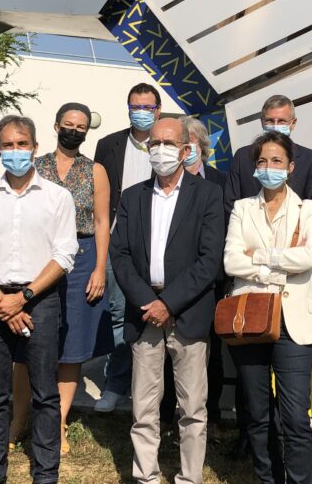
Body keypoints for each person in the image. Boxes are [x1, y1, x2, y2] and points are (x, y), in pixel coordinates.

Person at [0, 115, 79, 484]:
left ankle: (46, 473)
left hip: (40, 300)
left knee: (45, 393)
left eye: (22, 144)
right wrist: (2, 300)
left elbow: (64, 255)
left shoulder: (58, 197)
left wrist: (23, 297)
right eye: (8, 145)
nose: (15, 151)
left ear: (35, 147)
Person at [111, 117, 225, 484]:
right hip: (145, 312)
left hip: (187, 312)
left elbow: (210, 260)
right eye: (154, 143)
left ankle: (190, 478)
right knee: (144, 406)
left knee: (192, 407)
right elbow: (121, 255)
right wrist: (149, 301)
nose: (159, 149)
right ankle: (147, 476)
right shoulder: (132, 196)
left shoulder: (207, 195)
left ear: (186, 149)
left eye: (168, 142)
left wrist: (169, 303)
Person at [9, 103, 114, 454]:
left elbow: (101, 222)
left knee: (72, 347)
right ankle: (20, 417)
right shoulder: (34, 167)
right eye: (68, 124)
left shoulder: (95, 170)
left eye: (80, 126)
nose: (74, 130)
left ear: (87, 131)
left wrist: (100, 268)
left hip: (83, 260)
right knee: (28, 343)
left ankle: (58, 422)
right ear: (56, 127)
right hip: (39, 260)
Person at [223, 132, 312, 484]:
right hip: (249, 317)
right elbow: (232, 261)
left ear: (291, 167)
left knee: (295, 417)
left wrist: (261, 257)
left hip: (294, 322)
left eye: (277, 161)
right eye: (263, 161)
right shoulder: (241, 208)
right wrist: (282, 262)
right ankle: (268, 478)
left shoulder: (308, 209)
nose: (269, 168)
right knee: (257, 414)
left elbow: (309, 258)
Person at [155, 116, 228, 436]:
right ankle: (166, 414)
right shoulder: (161, 181)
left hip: (206, 284)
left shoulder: (220, 182)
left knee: (207, 354)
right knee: (167, 358)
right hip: (166, 287)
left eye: (194, 144)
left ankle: (209, 415)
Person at [92, 83, 162, 412]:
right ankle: (116, 383)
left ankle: (150, 387)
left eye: (148, 107)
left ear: (158, 111)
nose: (141, 113)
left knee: (155, 313)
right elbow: (99, 197)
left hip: (159, 243)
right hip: (119, 242)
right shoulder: (109, 145)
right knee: (118, 314)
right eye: (136, 106)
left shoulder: (167, 143)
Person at [225, 95, 312, 216]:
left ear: (293, 123)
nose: (275, 126)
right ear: (262, 122)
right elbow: (230, 205)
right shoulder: (242, 157)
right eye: (270, 121)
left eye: (282, 121)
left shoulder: (311, 160)